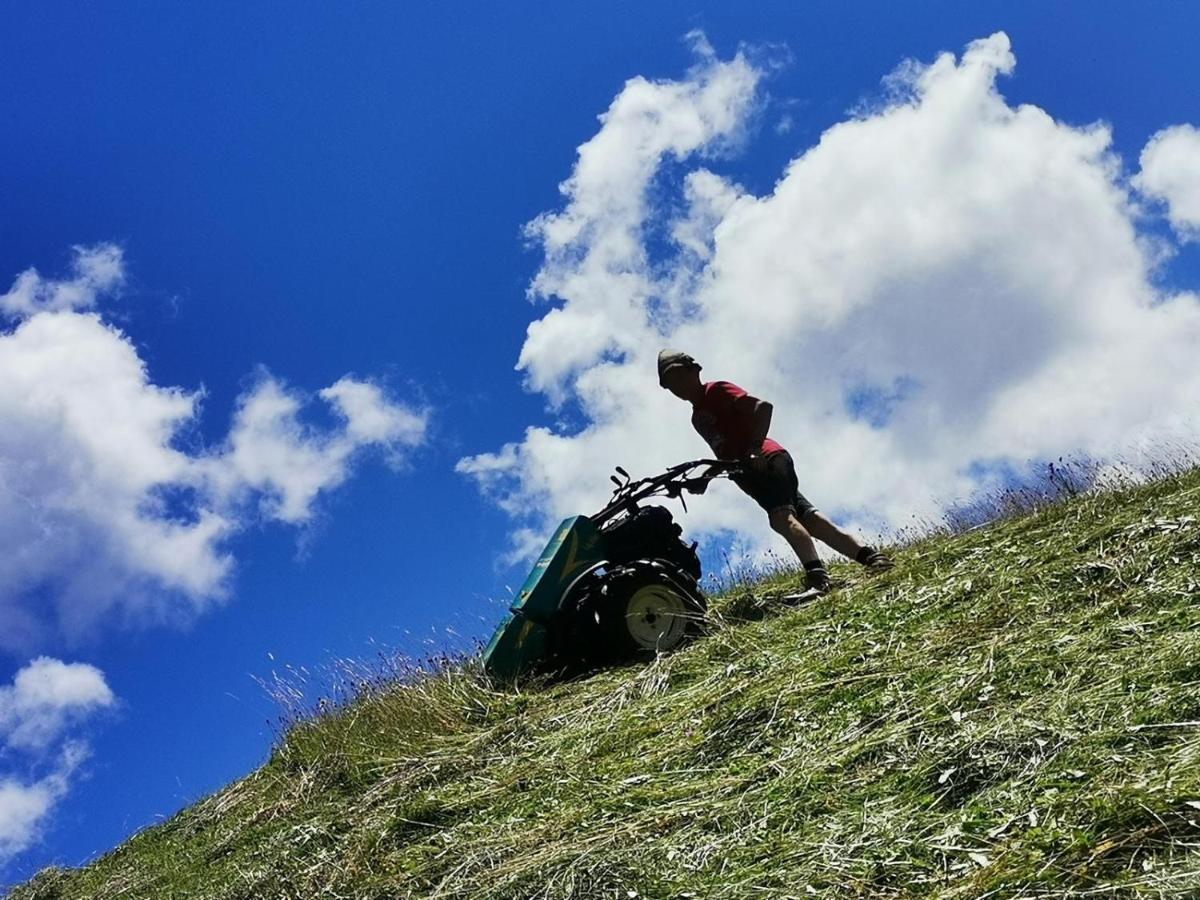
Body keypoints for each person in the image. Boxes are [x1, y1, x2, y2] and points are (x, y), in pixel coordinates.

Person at [658, 348, 893, 594]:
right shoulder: (697, 418)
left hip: (768, 461)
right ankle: (872, 558)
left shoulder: (716, 390)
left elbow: (763, 407)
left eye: (679, 376)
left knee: (780, 518)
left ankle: (818, 579)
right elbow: (723, 454)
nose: (677, 386)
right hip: (750, 475)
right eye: (670, 383)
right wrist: (704, 480)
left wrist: (755, 448)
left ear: (694, 370)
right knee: (809, 519)